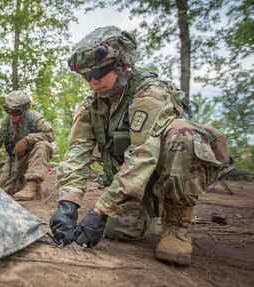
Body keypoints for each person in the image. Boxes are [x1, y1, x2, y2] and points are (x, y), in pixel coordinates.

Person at [49, 26, 231, 265]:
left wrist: (100, 210)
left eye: (99, 72)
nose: (93, 82)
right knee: (116, 231)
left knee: (180, 133)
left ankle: (176, 227)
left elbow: (142, 154)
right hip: (136, 185)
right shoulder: (92, 106)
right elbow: (76, 153)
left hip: (166, 171)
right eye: (86, 76)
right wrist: (68, 204)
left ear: (122, 65)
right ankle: (148, 212)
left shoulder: (150, 93)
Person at [0, 90, 55, 201]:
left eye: (16, 112)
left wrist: (28, 139)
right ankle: (22, 182)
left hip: (33, 157)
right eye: (8, 111)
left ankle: (32, 184)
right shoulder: (4, 124)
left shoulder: (34, 118)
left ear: (24, 110)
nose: (12, 116)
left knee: (43, 145)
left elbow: (50, 135)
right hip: (15, 161)